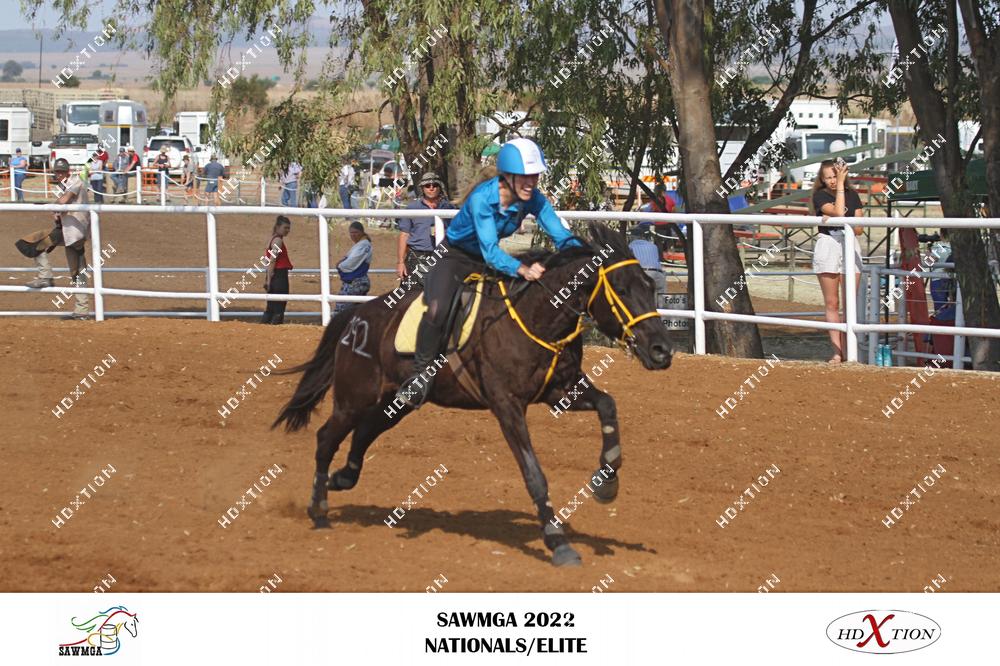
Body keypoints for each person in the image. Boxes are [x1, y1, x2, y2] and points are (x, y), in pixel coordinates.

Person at [395, 138, 581, 408]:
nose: (532, 183)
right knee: (437, 309)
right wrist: (523, 269)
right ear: (507, 177)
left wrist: (583, 255)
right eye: (525, 177)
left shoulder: (533, 199)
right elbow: (491, 252)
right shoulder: (482, 198)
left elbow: (561, 234)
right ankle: (420, 376)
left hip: (485, 260)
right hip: (454, 257)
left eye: (535, 176)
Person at [811, 159, 864, 363]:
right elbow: (840, 213)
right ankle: (837, 352)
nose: (833, 180)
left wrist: (837, 216)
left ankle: (850, 351)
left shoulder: (853, 195)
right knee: (832, 302)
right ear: (822, 179)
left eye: (836, 176)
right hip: (828, 245)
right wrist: (837, 212)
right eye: (829, 177)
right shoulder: (820, 195)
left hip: (849, 244)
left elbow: (858, 228)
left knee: (850, 302)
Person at [48, 158, 91, 319]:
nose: (59, 174)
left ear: (68, 172)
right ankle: (81, 309)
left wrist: (54, 208)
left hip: (75, 231)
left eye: (61, 171)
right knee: (77, 270)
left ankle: (45, 276)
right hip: (69, 231)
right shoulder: (65, 185)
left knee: (36, 244)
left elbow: (64, 200)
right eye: (57, 172)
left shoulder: (75, 182)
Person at [396, 171, 456, 286]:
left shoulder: (449, 208)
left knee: (440, 293)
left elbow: (456, 233)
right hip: (416, 256)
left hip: (442, 257)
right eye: (427, 185)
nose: (431, 188)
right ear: (422, 188)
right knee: (410, 294)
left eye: (435, 185)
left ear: (440, 187)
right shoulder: (412, 208)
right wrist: (400, 262)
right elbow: (404, 235)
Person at [335, 221, 373, 314]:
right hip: (358, 281)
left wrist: (340, 265)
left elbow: (351, 263)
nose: (353, 235)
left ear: (362, 232)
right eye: (351, 233)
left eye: (356, 232)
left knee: (342, 310)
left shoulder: (363, 245)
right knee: (356, 311)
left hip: (355, 281)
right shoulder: (361, 244)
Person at [262, 216, 293, 324]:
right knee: (279, 308)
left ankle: (264, 328)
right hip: (279, 276)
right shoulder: (278, 241)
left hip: (274, 275)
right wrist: (269, 280)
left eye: (288, 228)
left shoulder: (272, 239)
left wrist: (268, 278)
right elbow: (272, 260)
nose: (287, 230)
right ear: (278, 227)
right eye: (285, 228)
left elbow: (267, 260)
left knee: (271, 307)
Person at [628, 226, 667, 309]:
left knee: (641, 302)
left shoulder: (630, 246)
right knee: (661, 300)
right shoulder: (653, 246)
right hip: (658, 274)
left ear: (633, 237)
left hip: (643, 274)